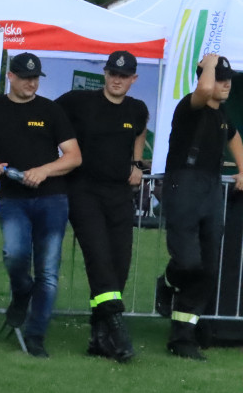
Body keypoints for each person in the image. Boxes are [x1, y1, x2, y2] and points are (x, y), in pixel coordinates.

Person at [0, 52, 81, 358]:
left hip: (53, 198)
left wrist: (45, 170)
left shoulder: (51, 110)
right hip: (13, 199)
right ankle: (22, 290)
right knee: (14, 255)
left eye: (36, 78)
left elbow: (73, 156)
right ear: (10, 77)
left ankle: (36, 334)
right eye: (26, 77)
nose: (31, 83)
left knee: (48, 271)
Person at [56, 51, 148, 363]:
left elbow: (140, 131)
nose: (117, 79)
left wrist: (136, 162)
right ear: (105, 74)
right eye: (113, 73)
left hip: (120, 194)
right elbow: (51, 120)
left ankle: (98, 336)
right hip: (83, 190)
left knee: (120, 262)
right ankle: (117, 327)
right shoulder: (78, 101)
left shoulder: (137, 109)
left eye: (124, 75)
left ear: (133, 79)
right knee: (98, 258)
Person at [156, 54, 243, 360]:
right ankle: (167, 281)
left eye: (228, 79)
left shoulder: (223, 116)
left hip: (210, 191)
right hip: (184, 186)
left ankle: (183, 337)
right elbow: (204, 91)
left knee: (208, 269)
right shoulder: (190, 106)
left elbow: (235, 139)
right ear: (205, 78)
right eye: (220, 78)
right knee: (189, 262)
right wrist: (207, 64)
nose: (225, 84)